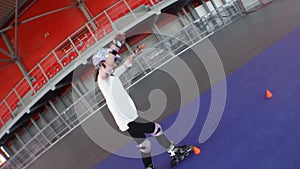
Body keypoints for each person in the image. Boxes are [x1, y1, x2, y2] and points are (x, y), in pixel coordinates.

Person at [92, 33, 191, 169]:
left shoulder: (112, 76)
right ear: (101, 65)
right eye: (112, 60)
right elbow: (107, 67)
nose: (114, 62)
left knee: (145, 145)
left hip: (128, 119)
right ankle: (174, 151)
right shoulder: (102, 79)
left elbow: (127, 65)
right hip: (129, 120)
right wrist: (116, 46)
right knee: (156, 129)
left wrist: (134, 53)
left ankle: (149, 167)